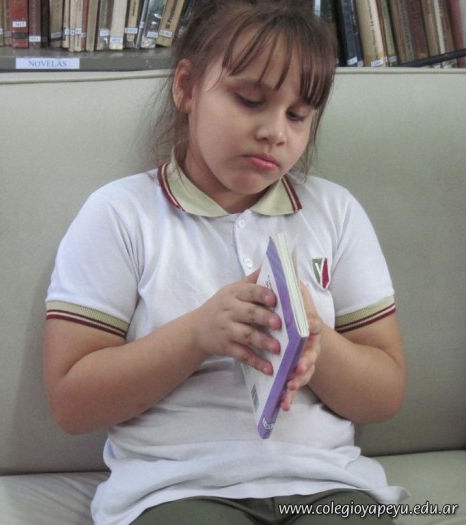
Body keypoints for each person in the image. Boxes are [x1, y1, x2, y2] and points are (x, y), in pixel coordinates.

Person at [43, 0, 408, 523]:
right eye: (250, 100)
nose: (276, 132)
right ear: (186, 88)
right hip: (176, 488)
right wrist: (198, 335)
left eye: (297, 115)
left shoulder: (335, 212)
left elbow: (385, 396)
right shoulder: (120, 214)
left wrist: (317, 344)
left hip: (327, 484)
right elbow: (72, 404)